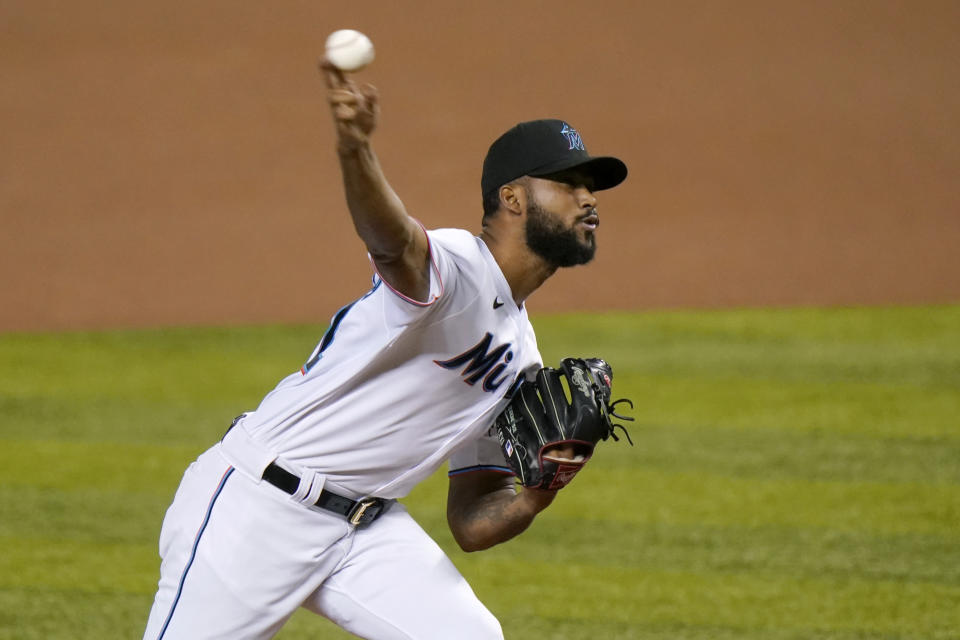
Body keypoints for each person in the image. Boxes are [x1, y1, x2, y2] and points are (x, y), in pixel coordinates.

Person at [142, 59, 628, 640]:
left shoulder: (520, 357)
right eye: (568, 183)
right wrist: (356, 149)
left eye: (591, 187)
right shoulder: (458, 267)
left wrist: (540, 491)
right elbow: (392, 241)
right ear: (513, 198)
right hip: (258, 507)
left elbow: (472, 519)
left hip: (363, 533)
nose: (587, 198)